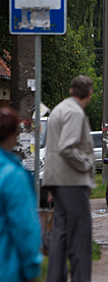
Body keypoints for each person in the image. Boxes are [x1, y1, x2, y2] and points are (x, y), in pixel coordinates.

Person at [43, 76, 96, 282]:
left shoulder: (59, 109)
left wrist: (51, 184)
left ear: (72, 90)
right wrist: (86, 164)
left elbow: (53, 148)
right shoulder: (75, 113)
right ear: (89, 94)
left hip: (58, 180)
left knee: (61, 234)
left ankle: (54, 278)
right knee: (80, 237)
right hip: (73, 182)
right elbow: (67, 147)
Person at [0, 107, 43, 282]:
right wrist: (32, 266)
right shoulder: (13, 176)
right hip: (8, 269)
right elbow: (25, 227)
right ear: (13, 135)